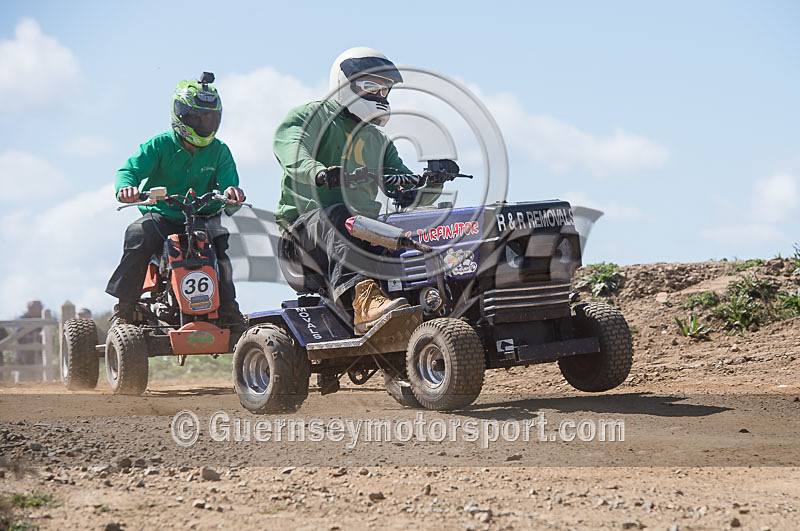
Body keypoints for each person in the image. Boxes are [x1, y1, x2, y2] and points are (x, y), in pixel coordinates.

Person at [273, 47, 446, 335]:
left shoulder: (379, 141)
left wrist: (434, 181)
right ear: (345, 85)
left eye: (384, 89)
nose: (379, 95)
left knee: (408, 233)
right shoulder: (311, 116)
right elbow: (292, 151)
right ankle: (363, 303)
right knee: (343, 216)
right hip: (302, 242)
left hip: (363, 233)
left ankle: (431, 305)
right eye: (370, 86)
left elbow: (405, 190)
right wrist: (319, 172)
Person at [106, 73, 246, 326]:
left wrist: (232, 195)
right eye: (197, 117)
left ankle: (228, 307)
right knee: (138, 234)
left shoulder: (220, 151)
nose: (204, 123)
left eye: (209, 117)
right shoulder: (158, 145)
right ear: (180, 116)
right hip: (162, 215)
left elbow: (229, 187)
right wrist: (126, 187)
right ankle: (125, 307)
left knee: (220, 244)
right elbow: (128, 171)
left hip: (202, 215)